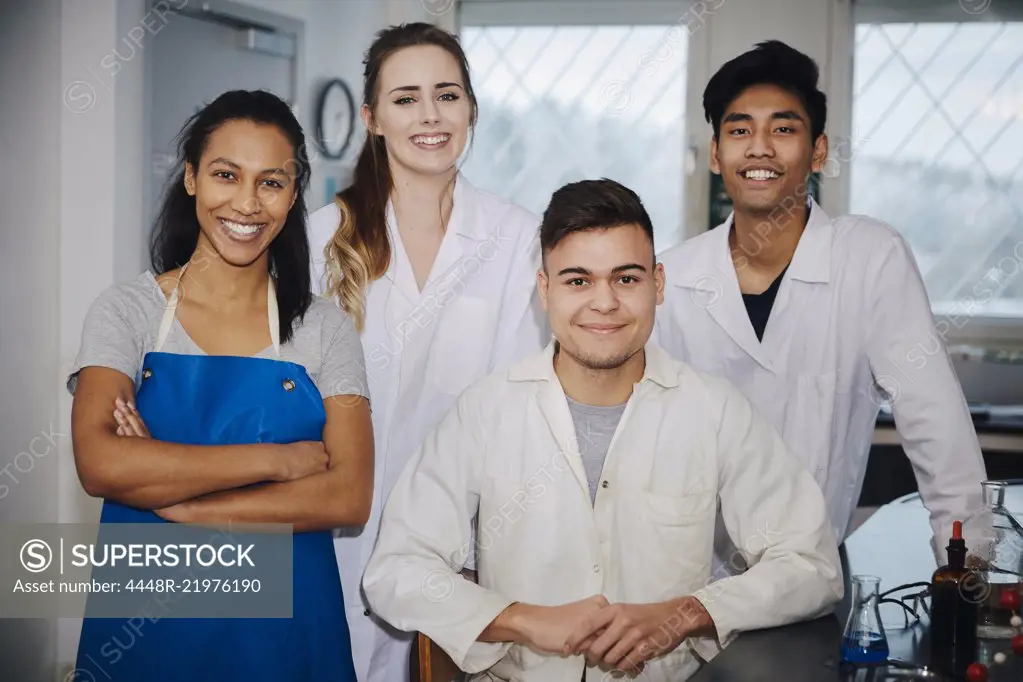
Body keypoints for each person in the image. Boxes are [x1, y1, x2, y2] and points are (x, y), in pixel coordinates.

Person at [361, 179, 844, 682]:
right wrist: (524, 621)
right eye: (577, 281)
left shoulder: (714, 410)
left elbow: (813, 566)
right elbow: (397, 570)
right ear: (544, 290)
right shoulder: (485, 411)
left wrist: (684, 614)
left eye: (626, 279)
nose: (604, 303)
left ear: (658, 284)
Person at [67, 90, 373, 682]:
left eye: (271, 182)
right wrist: (280, 463)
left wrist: (180, 503)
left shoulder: (324, 330)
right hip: (146, 629)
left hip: (286, 631)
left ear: (292, 195)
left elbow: (347, 496)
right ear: (190, 179)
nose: (246, 203)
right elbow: (100, 463)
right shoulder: (126, 313)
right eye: (225, 175)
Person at [653, 40, 988, 571]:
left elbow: (934, 423)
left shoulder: (869, 258)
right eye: (739, 130)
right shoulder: (671, 276)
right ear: (716, 154)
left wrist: (969, 568)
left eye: (783, 129)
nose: (760, 148)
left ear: (819, 151)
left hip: (809, 580)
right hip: (681, 580)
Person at [306, 23, 547, 681]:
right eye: (406, 98)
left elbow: (523, 405)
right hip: (335, 536)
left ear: (471, 108)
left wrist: (483, 544)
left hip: (465, 540)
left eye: (446, 95)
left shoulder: (516, 237)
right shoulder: (320, 239)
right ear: (372, 118)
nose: (430, 115)